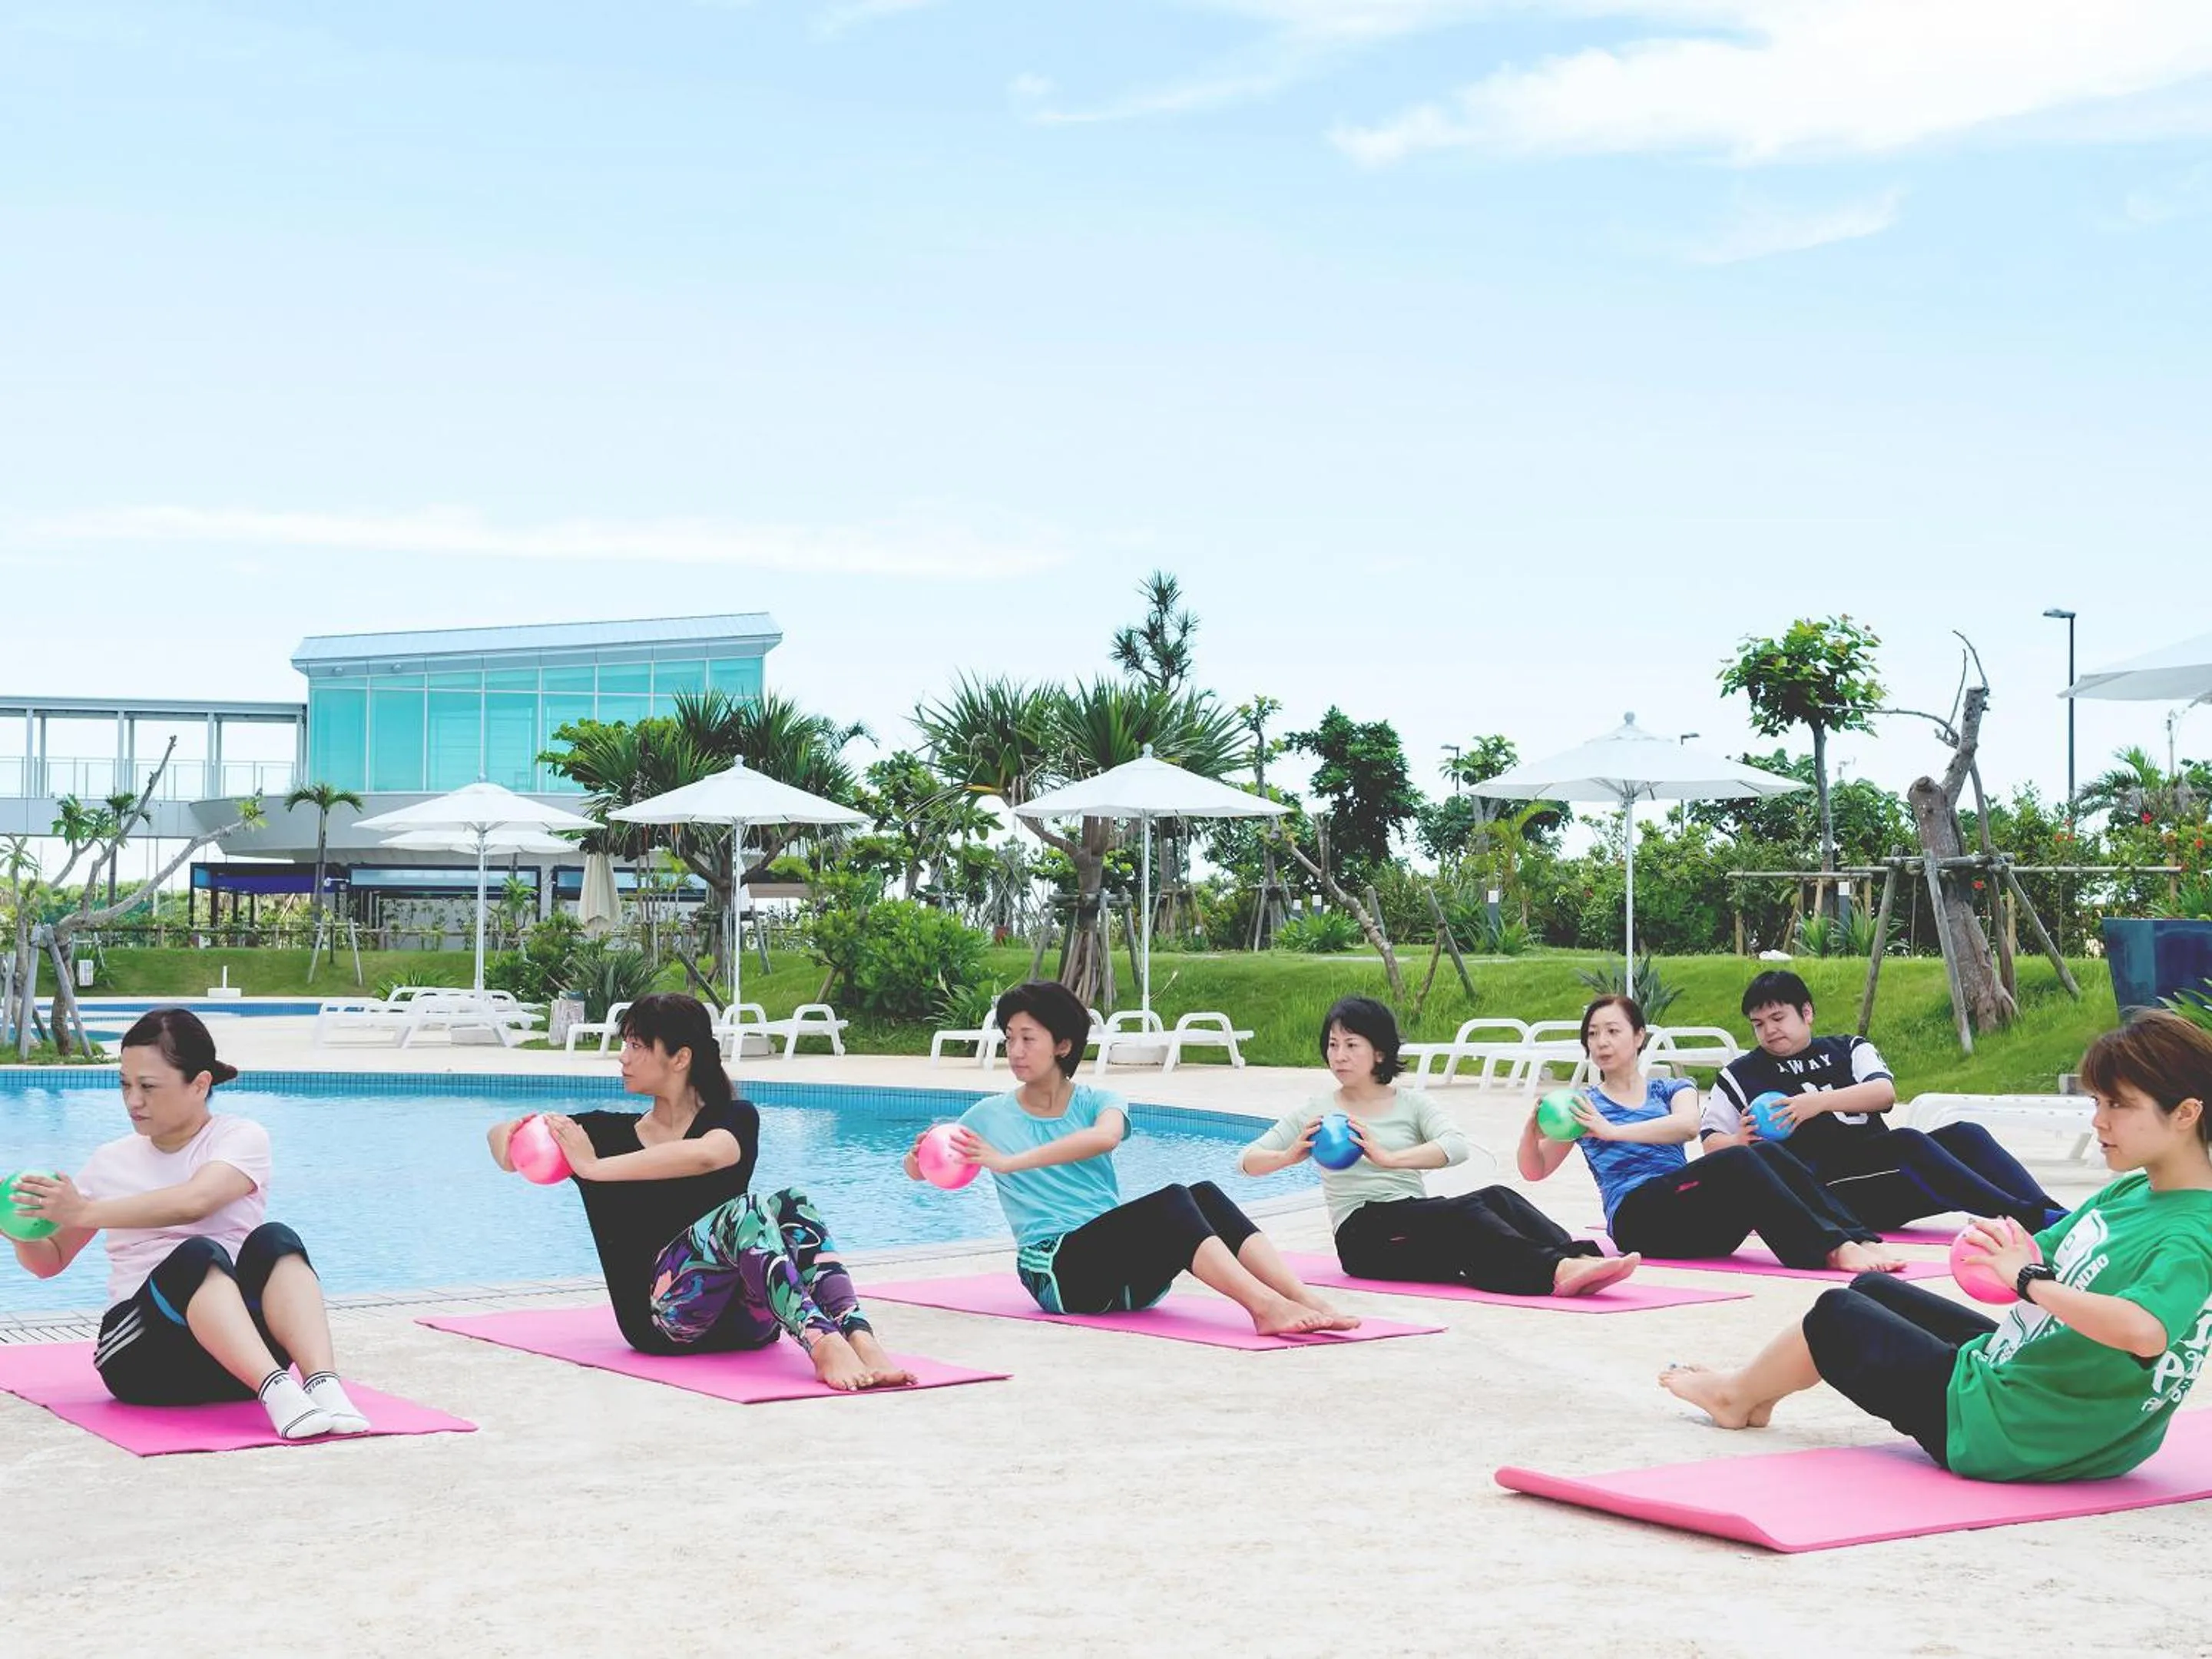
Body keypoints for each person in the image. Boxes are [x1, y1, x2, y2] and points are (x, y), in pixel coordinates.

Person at [1661, 1011, 2212, 1482]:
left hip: (2016, 1430)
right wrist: (1999, 1249)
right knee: (1874, 1290)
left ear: (2186, 1114)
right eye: (2097, 1101)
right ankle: (1755, 1395)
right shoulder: (2135, 1189)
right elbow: (2038, 1247)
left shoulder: (2194, 1231)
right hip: (2043, 1389)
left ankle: (1735, 1398)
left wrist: (2028, 1280)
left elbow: (2145, 1331)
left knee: (1837, 1315)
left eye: (2118, 1104)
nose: (2099, 1120)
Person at [488, 992, 911, 1391]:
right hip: (664, 1325)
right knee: (742, 1212)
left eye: (637, 1045)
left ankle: (860, 1340)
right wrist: (508, 1135)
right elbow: (503, 1149)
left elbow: (711, 1155)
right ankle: (824, 1344)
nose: (623, 1056)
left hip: (751, 1325)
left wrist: (595, 1168)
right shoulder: (601, 1134)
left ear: (680, 1057)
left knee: (791, 1203)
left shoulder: (733, 1117)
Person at [910, 979, 1359, 1336]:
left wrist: (1010, 1161)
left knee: (1200, 1194)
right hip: (1057, 1272)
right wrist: (917, 1159)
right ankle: (1265, 1308)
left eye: (1029, 1039)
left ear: (1063, 1045)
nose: (1016, 1051)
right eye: (1010, 1039)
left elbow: (1104, 1138)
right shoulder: (988, 1116)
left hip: (1127, 1278)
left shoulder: (1098, 1099)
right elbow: (921, 1170)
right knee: (1171, 1201)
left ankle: (1305, 1300)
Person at [4, 1008, 369, 1439]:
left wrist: (82, 1211)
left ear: (200, 1084)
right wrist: (20, 1227)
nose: (133, 1101)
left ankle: (323, 1385)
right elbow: (52, 1260)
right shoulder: (110, 1162)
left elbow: (196, 1201)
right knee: (197, 1256)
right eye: (125, 1085)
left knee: (277, 1239)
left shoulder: (240, 1137)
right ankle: (279, 1393)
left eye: (149, 1087)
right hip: (145, 1362)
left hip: (237, 1363)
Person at [1240, 995, 1639, 1296]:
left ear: (1379, 1051)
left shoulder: (1411, 1103)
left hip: (1411, 1218)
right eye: (1333, 1045)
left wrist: (1389, 1157)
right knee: (1465, 1213)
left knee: (1496, 1197)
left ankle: (1581, 1258)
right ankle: (1557, 1270)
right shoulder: (1318, 1110)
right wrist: (1291, 1153)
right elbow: (1248, 1162)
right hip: (1364, 1237)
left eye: (1351, 1045)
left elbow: (1456, 1147)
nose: (1339, 1056)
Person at [1519, 995, 1905, 1273]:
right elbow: (1535, 1171)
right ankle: (1832, 1250)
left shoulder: (1672, 1089)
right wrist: (1530, 1131)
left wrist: (1613, 1131)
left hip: (1702, 1224)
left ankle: (1856, 1236)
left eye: (1612, 1031)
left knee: (1763, 1153)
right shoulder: (1581, 1106)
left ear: (1638, 1036)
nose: (1601, 1042)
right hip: (1639, 1220)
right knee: (1738, 1158)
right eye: (1592, 1034)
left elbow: (1687, 1127)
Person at [1707, 970, 2065, 1231]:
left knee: (1966, 1135)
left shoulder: (1848, 1048)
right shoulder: (1741, 1074)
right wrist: (1740, 1141)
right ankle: (2033, 1220)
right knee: (1907, 1142)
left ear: (1807, 1013)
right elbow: (1710, 1141)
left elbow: (1884, 1094)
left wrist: (1814, 1104)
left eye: (1777, 1018)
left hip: (1886, 1171)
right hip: (1829, 1193)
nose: (1769, 1030)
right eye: (1758, 1024)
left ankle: (2053, 1215)